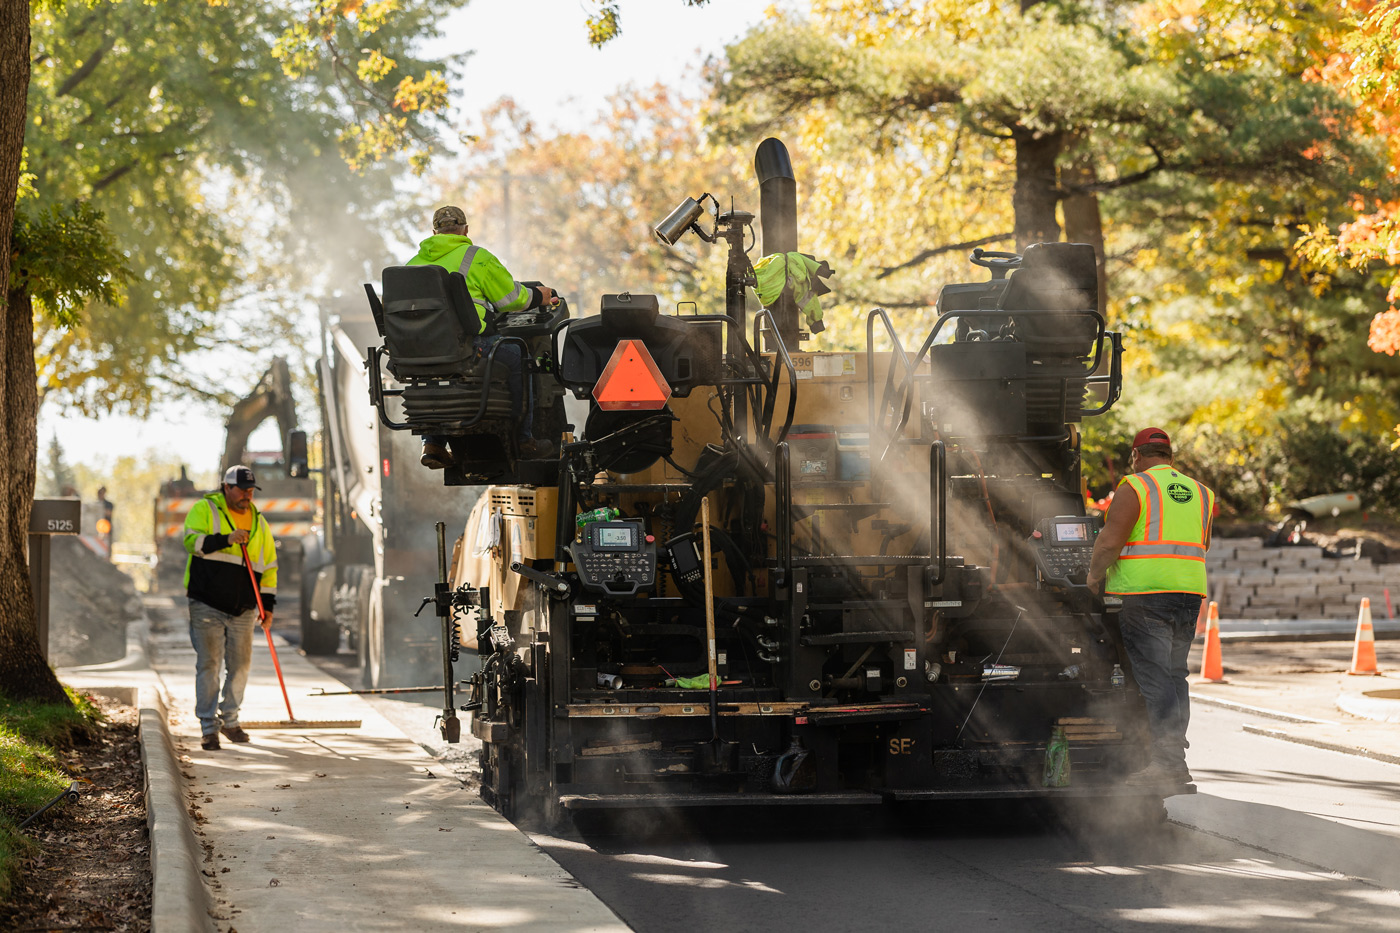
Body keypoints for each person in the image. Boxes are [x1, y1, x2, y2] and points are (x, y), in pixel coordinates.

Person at [1087, 427, 1215, 786]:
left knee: (1155, 677)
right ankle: (1175, 754)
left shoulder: (1136, 486)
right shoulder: (1202, 493)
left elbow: (1110, 543)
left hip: (1146, 597)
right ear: (1170, 457)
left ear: (1137, 456)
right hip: (1189, 595)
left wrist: (1093, 577)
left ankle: (1167, 763)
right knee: (1175, 675)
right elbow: (1202, 543)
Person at [407, 204, 556, 467]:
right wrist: (541, 295)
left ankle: (432, 444)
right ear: (465, 230)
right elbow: (511, 298)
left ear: (433, 232)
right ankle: (524, 439)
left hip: (420, 352)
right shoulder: (476, 256)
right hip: (467, 347)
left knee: (434, 374)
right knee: (518, 353)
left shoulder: (413, 265)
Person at [182, 465, 279, 750]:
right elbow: (191, 542)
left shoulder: (259, 522)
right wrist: (227, 539)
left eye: (251, 490)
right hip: (207, 603)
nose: (248, 496)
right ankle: (209, 727)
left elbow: (269, 566)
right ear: (226, 487)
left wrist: (268, 606)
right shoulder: (205, 509)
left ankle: (231, 720)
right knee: (209, 664)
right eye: (243, 490)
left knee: (240, 666)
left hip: (244, 608)